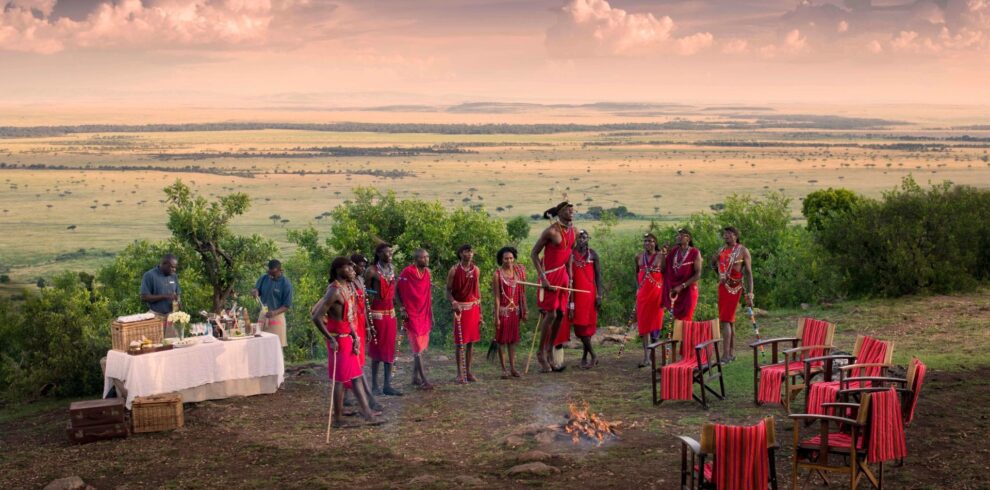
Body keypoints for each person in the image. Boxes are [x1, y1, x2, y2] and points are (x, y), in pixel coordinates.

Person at [310, 257, 381, 427]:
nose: (353, 271)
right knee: (341, 380)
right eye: (348, 269)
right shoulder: (334, 291)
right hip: (339, 341)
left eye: (352, 268)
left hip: (348, 338)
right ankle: (338, 419)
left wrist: (355, 336)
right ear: (338, 270)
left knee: (356, 376)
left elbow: (349, 318)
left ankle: (367, 413)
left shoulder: (347, 288)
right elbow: (316, 316)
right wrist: (330, 338)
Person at [530, 201, 575, 373]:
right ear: (559, 212)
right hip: (550, 276)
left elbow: (569, 253)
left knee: (561, 314)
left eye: (572, 208)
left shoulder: (574, 232)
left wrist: (570, 275)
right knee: (551, 314)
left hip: (563, 276)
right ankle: (541, 354)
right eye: (567, 208)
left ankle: (550, 350)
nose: (571, 211)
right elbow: (534, 254)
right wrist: (543, 279)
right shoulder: (551, 231)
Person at [364, 244, 403, 396]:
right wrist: (377, 293)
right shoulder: (372, 271)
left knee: (389, 349)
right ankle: (374, 385)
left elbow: (395, 291)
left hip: (391, 313)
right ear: (379, 253)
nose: (389, 254)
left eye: (391, 252)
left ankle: (387, 385)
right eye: (386, 252)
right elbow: (365, 291)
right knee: (377, 349)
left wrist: (401, 307)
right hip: (377, 312)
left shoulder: (392, 269)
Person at [712, 226, 753, 363]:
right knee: (729, 320)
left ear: (736, 235)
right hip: (723, 287)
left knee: (725, 320)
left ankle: (725, 355)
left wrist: (750, 293)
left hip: (735, 288)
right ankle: (730, 354)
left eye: (729, 234)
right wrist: (715, 260)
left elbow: (748, 272)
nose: (726, 236)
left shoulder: (742, 250)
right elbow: (715, 268)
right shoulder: (721, 250)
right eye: (725, 234)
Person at [562, 230, 603, 369]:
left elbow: (598, 276)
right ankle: (593, 355)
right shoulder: (570, 255)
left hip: (590, 294)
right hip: (575, 295)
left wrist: (600, 295)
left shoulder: (593, 254)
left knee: (587, 326)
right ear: (575, 239)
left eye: (584, 237)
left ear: (588, 239)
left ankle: (586, 357)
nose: (581, 239)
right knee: (579, 326)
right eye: (579, 237)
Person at [397, 248, 434, 390]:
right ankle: (424, 380)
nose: (427, 259)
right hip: (411, 314)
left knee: (421, 347)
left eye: (427, 257)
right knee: (417, 347)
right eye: (424, 257)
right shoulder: (407, 272)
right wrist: (402, 308)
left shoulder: (427, 273)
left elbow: (427, 294)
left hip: (424, 313)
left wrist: (432, 314)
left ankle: (414, 377)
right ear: (416, 259)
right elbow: (396, 291)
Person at [446, 244, 482, 383]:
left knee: (471, 342)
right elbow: (448, 290)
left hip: (473, 308)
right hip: (460, 309)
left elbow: (477, 291)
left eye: (471, 251)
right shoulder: (454, 270)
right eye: (467, 251)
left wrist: (480, 312)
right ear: (461, 254)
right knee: (460, 342)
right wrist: (453, 302)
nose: (470, 254)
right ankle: (459, 374)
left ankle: (468, 372)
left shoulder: (476, 270)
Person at [492, 246, 527, 378]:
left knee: (512, 341)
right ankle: (504, 369)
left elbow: (522, 292)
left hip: (515, 312)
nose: (509, 261)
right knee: (501, 341)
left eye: (511, 258)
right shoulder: (497, 275)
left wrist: (525, 310)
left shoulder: (518, 272)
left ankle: (513, 368)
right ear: (501, 259)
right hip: (503, 312)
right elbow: (496, 297)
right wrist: (496, 317)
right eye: (506, 258)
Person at [634, 233, 666, 367]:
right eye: (646, 240)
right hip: (642, 296)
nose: (648, 243)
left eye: (651, 241)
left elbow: (666, 274)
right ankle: (646, 358)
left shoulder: (661, 256)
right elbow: (636, 273)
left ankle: (653, 354)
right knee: (644, 326)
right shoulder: (639, 257)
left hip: (657, 295)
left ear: (655, 243)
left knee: (656, 325)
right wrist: (638, 289)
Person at [662, 228, 703, 322]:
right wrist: (663, 254)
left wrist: (682, 286)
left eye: (681, 235)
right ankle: (679, 337)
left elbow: (698, 274)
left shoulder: (695, 252)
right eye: (677, 235)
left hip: (688, 291)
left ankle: (687, 337)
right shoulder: (674, 251)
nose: (678, 237)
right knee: (677, 321)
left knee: (687, 318)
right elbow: (664, 269)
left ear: (688, 238)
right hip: (675, 291)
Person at [252, 259, 293, 348]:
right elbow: (257, 289)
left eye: (273, 274)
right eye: (269, 273)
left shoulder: (286, 283)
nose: (270, 276)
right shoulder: (264, 278)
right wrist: (255, 292)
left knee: (276, 345)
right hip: (263, 315)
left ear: (280, 271)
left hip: (276, 317)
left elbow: (286, 305)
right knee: (260, 343)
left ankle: (277, 362)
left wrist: (274, 312)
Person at [140, 254, 181, 337]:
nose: (174, 269)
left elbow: (177, 294)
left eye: (175, 267)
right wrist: (165, 296)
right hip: (156, 316)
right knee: (156, 343)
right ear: (164, 264)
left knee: (172, 344)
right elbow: (144, 297)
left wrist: (179, 302)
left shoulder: (174, 276)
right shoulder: (149, 275)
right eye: (172, 267)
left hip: (171, 316)